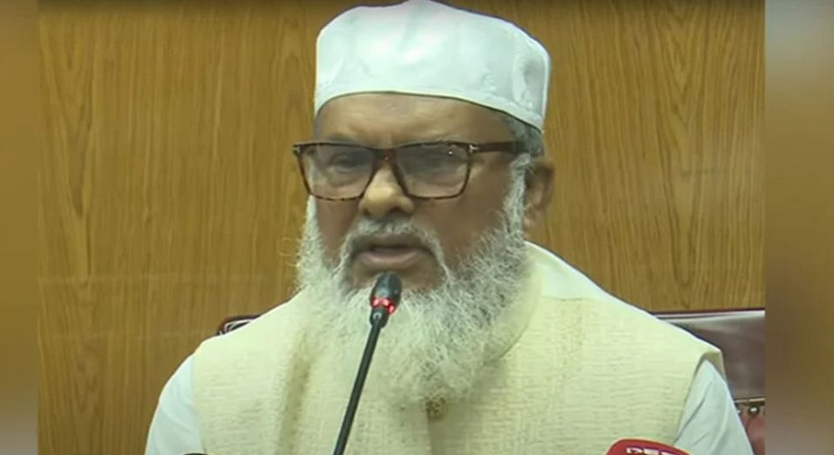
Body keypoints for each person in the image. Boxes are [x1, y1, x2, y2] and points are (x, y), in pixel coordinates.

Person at [145, 1, 754, 454]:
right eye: (345, 160)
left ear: (528, 192)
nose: (380, 196)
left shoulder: (665, 389)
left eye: (436, 159)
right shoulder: (218, 394)